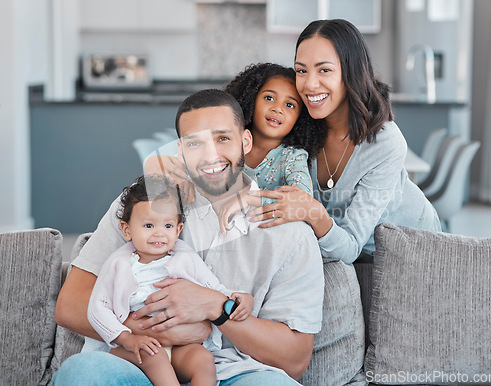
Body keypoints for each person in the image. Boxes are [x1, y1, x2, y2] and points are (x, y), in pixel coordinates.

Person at [53, 89, 324, 385]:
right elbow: (70, 305)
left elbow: (295, 359)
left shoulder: (290, 232)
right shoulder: (144, 205)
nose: (211, 156)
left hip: (240, 372)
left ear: (245, 141)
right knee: (81, 373)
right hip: (138, 362)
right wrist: (156, 332)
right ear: (181, 150)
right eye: (196, 143)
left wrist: (216, 308)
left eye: (223, 138)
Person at [246, 19, 441, 264]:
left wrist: (313, 212)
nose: (309, 84)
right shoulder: (302, 122)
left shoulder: (385, 143)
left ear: (351, 72)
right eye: (301, 70)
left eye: (324, 70)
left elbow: (349, 246)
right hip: (344, 248)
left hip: (412, 246)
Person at [84, 174, 253, 386]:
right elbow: (97, 308)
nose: (159, 234)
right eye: (148, 226)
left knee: (203, 360)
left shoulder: (185, 257)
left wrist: (238, 298)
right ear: (127, 230)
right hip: (136, 347)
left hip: (182, 347)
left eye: (167, 226)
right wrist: (126, 338)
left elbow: (214, 287)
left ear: (178, 229)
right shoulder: (119, 263)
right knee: (154, 356)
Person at [216, 63, 326, 233]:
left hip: (270, 234)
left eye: (289, 105)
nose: (277, 108)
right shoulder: (228, 143)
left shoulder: (292, 156)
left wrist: (249, 199)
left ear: (300, 118)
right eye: (269, 98)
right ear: (251, 100)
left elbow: (302, 200)